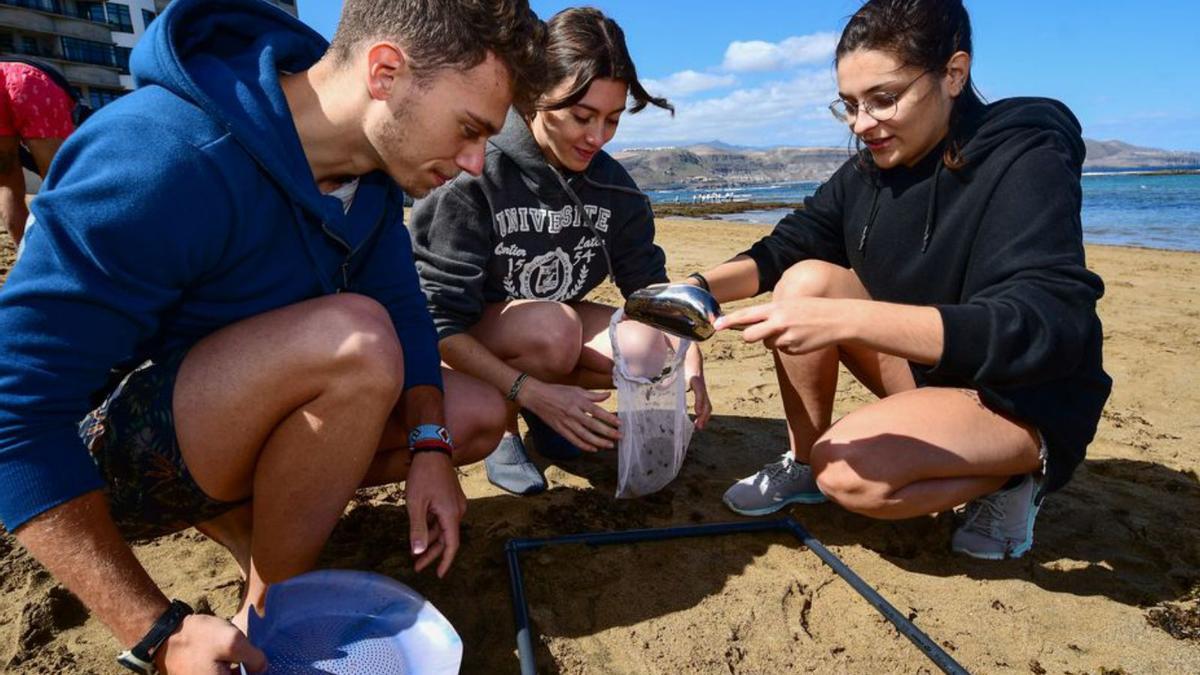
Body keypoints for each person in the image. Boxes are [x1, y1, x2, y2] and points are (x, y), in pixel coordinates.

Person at [0, 0, 544, 672]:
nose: (473, 162)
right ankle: (270, 615)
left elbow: (405, 307)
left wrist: (429, 442)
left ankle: (255, 557)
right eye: (469, 129)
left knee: (475, 413)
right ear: (385, 72)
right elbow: (13, 416)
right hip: (103, 456)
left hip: (224, 411)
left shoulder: (369, 178)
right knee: (357, 342)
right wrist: (156, 632)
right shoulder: (163, 155)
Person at [689, 0, 1111, 559]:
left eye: (883, 99)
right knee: (805, 279)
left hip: (1022, 393)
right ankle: (804, 461)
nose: (863, 124)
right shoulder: (870, 169)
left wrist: (846, 318)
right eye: (850, 106)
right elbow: (782, 249)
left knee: (852, 476)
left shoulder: (1027, 154)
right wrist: (687, 291)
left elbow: (1040, 326)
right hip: (934, 373)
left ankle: (1016, 473)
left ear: (953, 74)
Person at [410, 7, 711, 496]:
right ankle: (509, 426)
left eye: (612, 120)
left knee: (649, 347)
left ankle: (549, 414)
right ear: (532, 96)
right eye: (581, 116)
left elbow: (650, 291)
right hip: (466, 340)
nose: (597, 137)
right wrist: (528, 389)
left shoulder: (614, 186)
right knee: (553, 329)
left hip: (550, 325)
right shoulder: (472, 175)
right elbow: (435, 322)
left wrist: (688, 354)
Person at [0, 58, 82, 246]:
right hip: (31, 81)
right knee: (59, 180)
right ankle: (72, 252)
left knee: (7, 187)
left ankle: (27, 257)